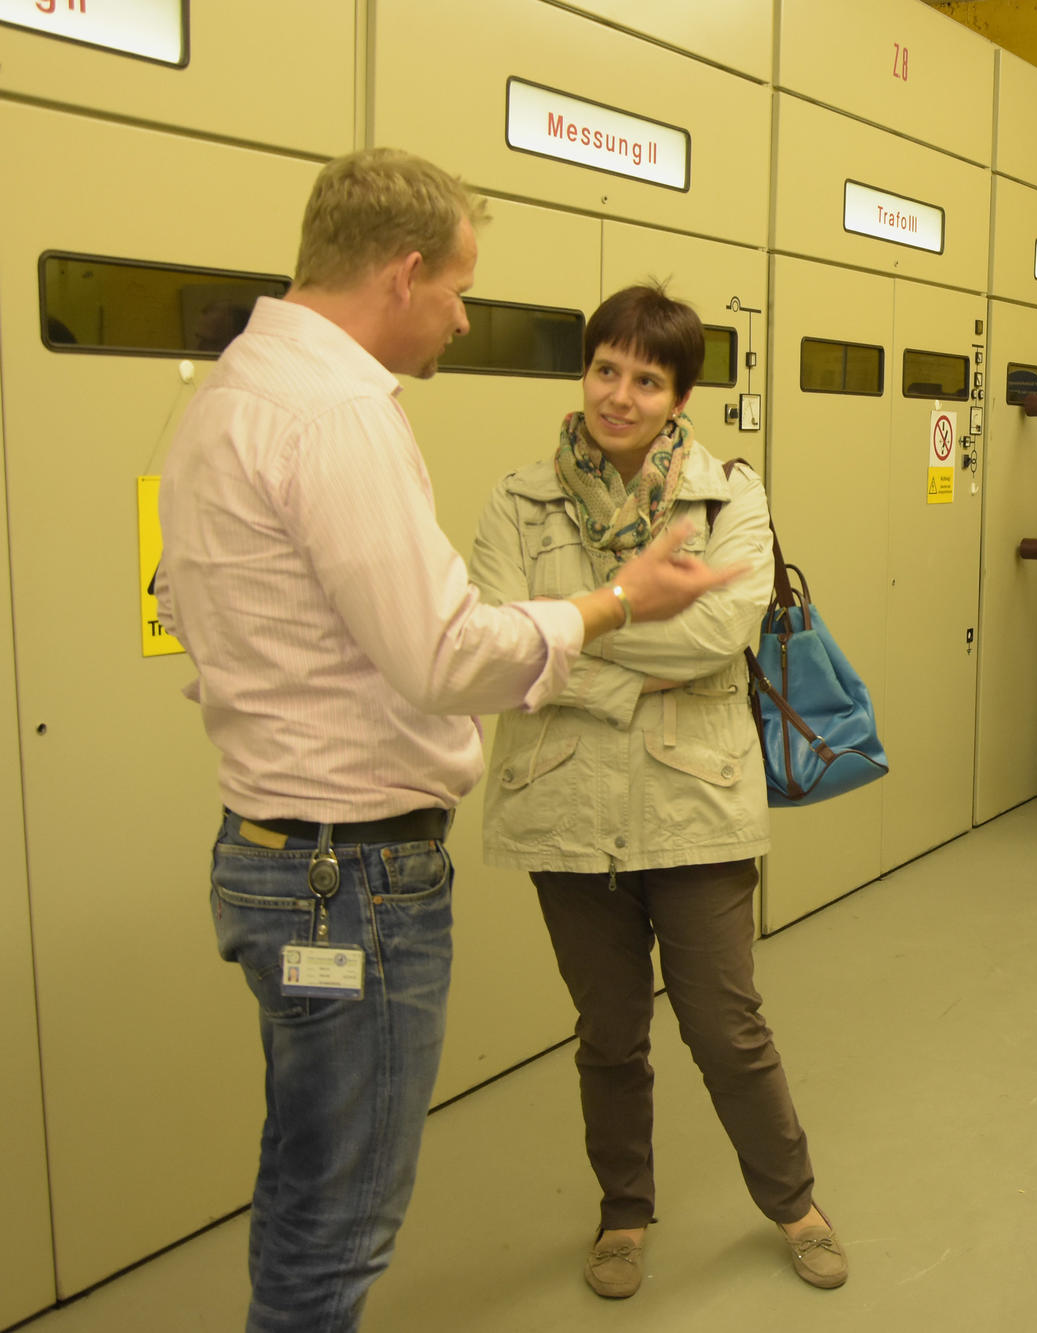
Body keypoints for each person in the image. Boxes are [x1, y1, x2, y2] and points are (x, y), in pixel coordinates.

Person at [155, 150, 742, 1333]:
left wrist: (568, 639)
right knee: (344, 1214)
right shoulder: (337, 416)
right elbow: (446, 655)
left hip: (279, 852)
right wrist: (613, 603)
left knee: (309, 1172)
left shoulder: (234, 390)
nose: (466, 318)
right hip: (349, 874)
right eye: (460, 289)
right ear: (406, 271)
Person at [467, 282, 845, 1301]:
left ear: (677, 396)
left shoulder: (730, 498)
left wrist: (573, 639)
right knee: (608, 1033)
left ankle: (794, 1200)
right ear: (584, 372)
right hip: (562, 802)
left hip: (697, 802)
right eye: (604, 369)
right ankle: (622, 1213)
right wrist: (622, 656)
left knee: (727, 1027)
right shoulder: (517, 500)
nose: (619, 394)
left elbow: (719, 633)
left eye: (646, 378)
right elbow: (501, 652)